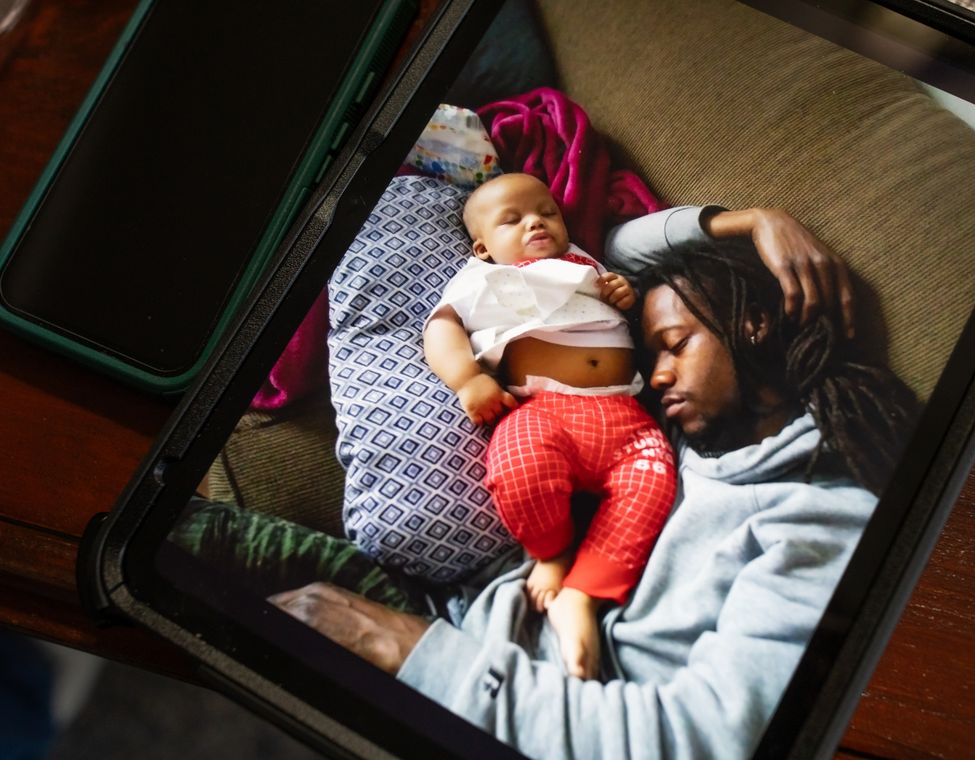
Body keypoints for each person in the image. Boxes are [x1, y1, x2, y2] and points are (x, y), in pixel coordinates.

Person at [265, 206, 918, 759]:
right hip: (472, 619)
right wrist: (756, 220)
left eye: (675, 343)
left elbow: (706, 738)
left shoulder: (823, 515)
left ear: (753, 324)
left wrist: (408, 651)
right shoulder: (688, 436)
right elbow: (621, 250)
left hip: (478, 692)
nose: (655, 377)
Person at [423, 173, 676, 680]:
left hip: (629, 421)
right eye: (512, 220)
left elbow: (622, 308)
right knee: (519, 468)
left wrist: (623, 292)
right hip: (541, 412)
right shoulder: (481, 279)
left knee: (654, 483)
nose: (536, 221)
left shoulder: (586, 263)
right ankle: (553, 552)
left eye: (547, 211)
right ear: (483, 247)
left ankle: (585, 590)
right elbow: (440, 327)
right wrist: (467, 378)